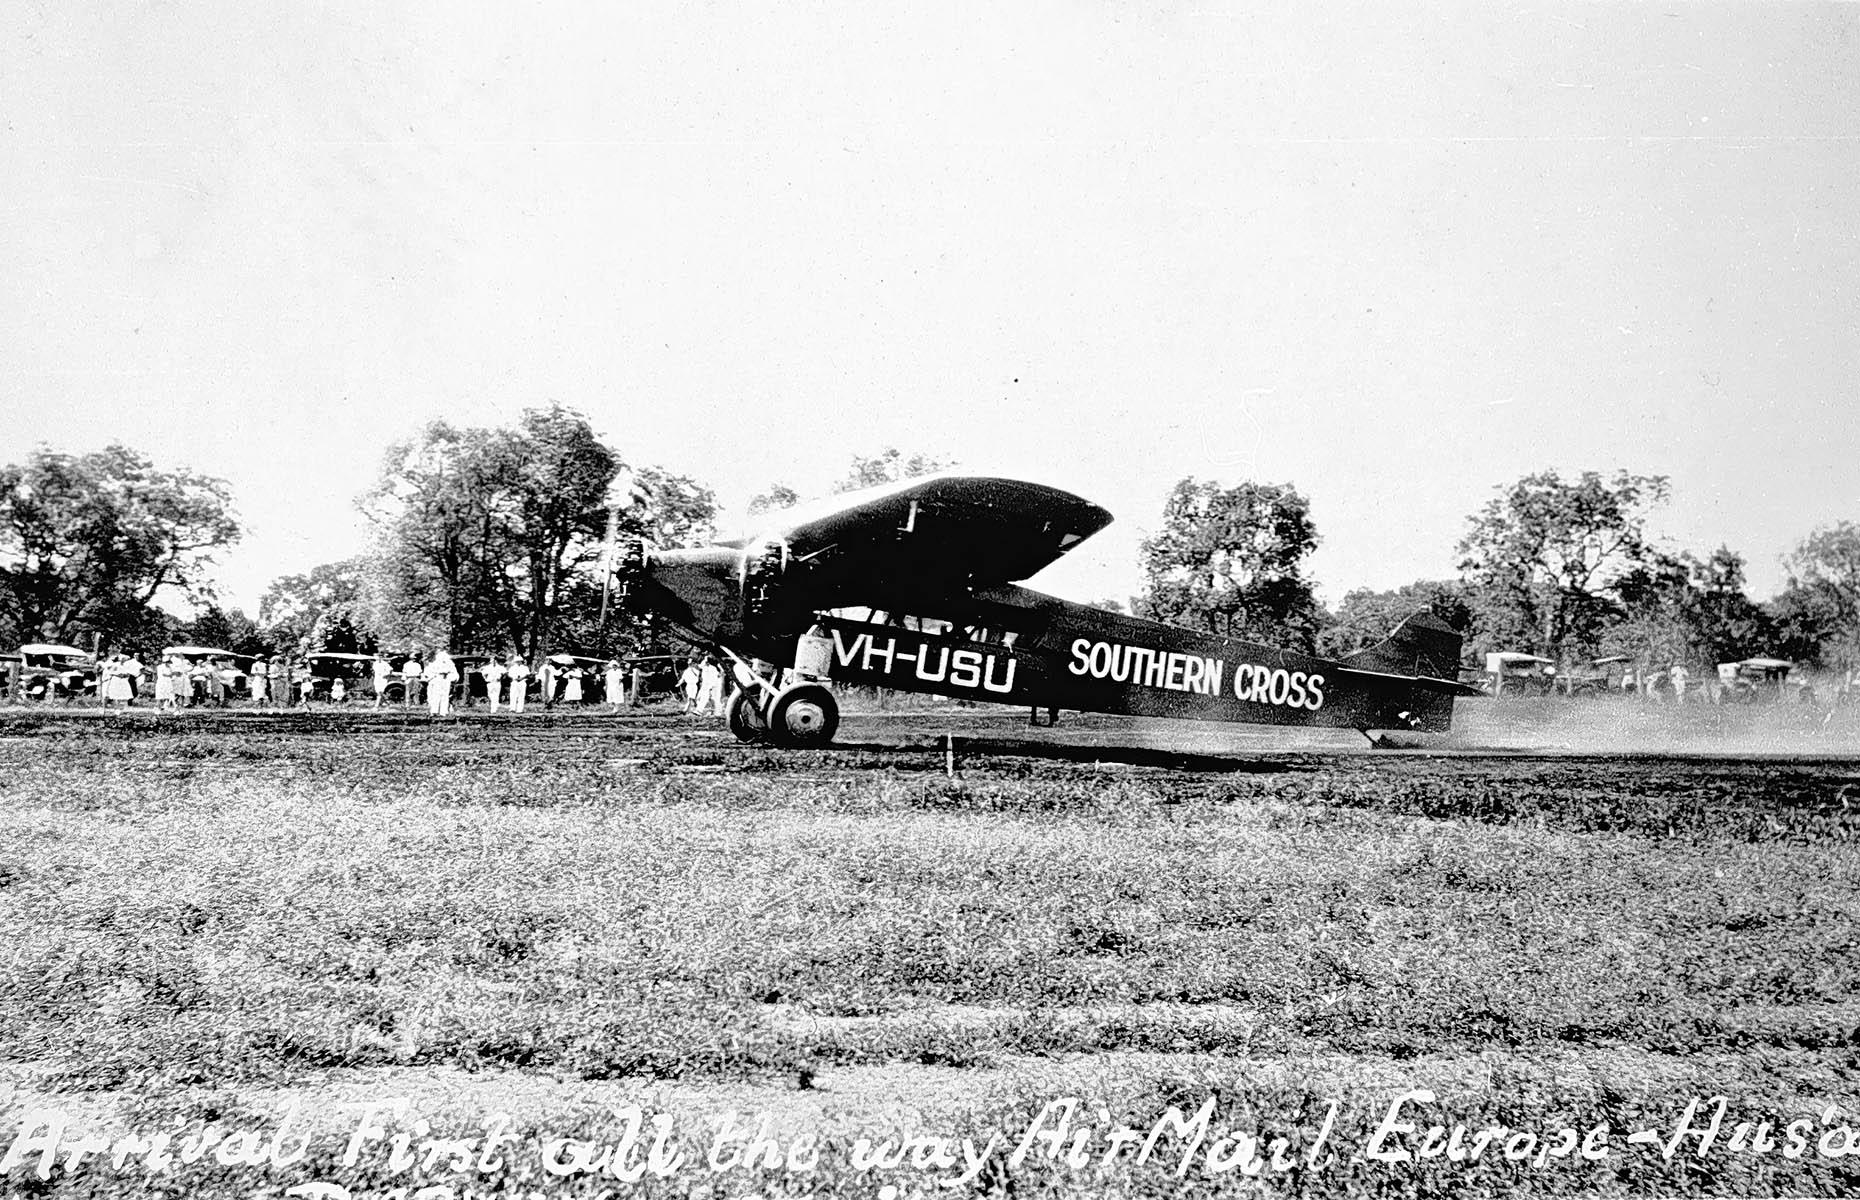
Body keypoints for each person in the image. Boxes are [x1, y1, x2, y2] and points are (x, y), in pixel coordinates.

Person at [425, 650, 458, 717]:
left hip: (446, 680)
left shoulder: (450, 664)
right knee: (436, 695)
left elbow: (454, 673)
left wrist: (451, 679)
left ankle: (443, 711)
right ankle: (434, 711)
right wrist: (432, 678)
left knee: (445, 696)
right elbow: (429, 673)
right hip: (437, 679)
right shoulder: (434, 664)